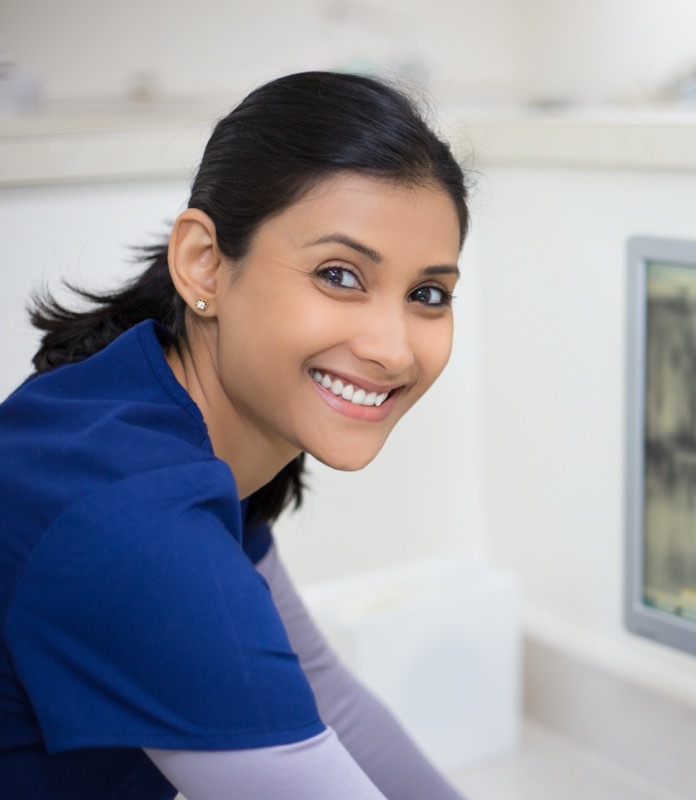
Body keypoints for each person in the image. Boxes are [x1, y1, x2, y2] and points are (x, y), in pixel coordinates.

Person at [0, 71, 471, 799]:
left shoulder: (152, 413)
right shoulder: (135, 524)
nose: (394, 348)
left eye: (428, 294)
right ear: (203, 264)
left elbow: (328, 702)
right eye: (340, 274)